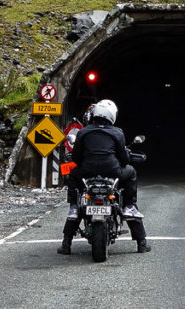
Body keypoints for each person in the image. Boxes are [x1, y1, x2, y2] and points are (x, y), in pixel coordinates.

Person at [57, 99, 150, 254]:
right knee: (131, 172)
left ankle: (67, 241)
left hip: (87, 172)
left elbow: (76, 158)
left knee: (76, 194)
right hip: (112, 171)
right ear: (112, 115)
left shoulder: (83, 132)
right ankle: (134, 221)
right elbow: (124, 159)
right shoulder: (117, 132)